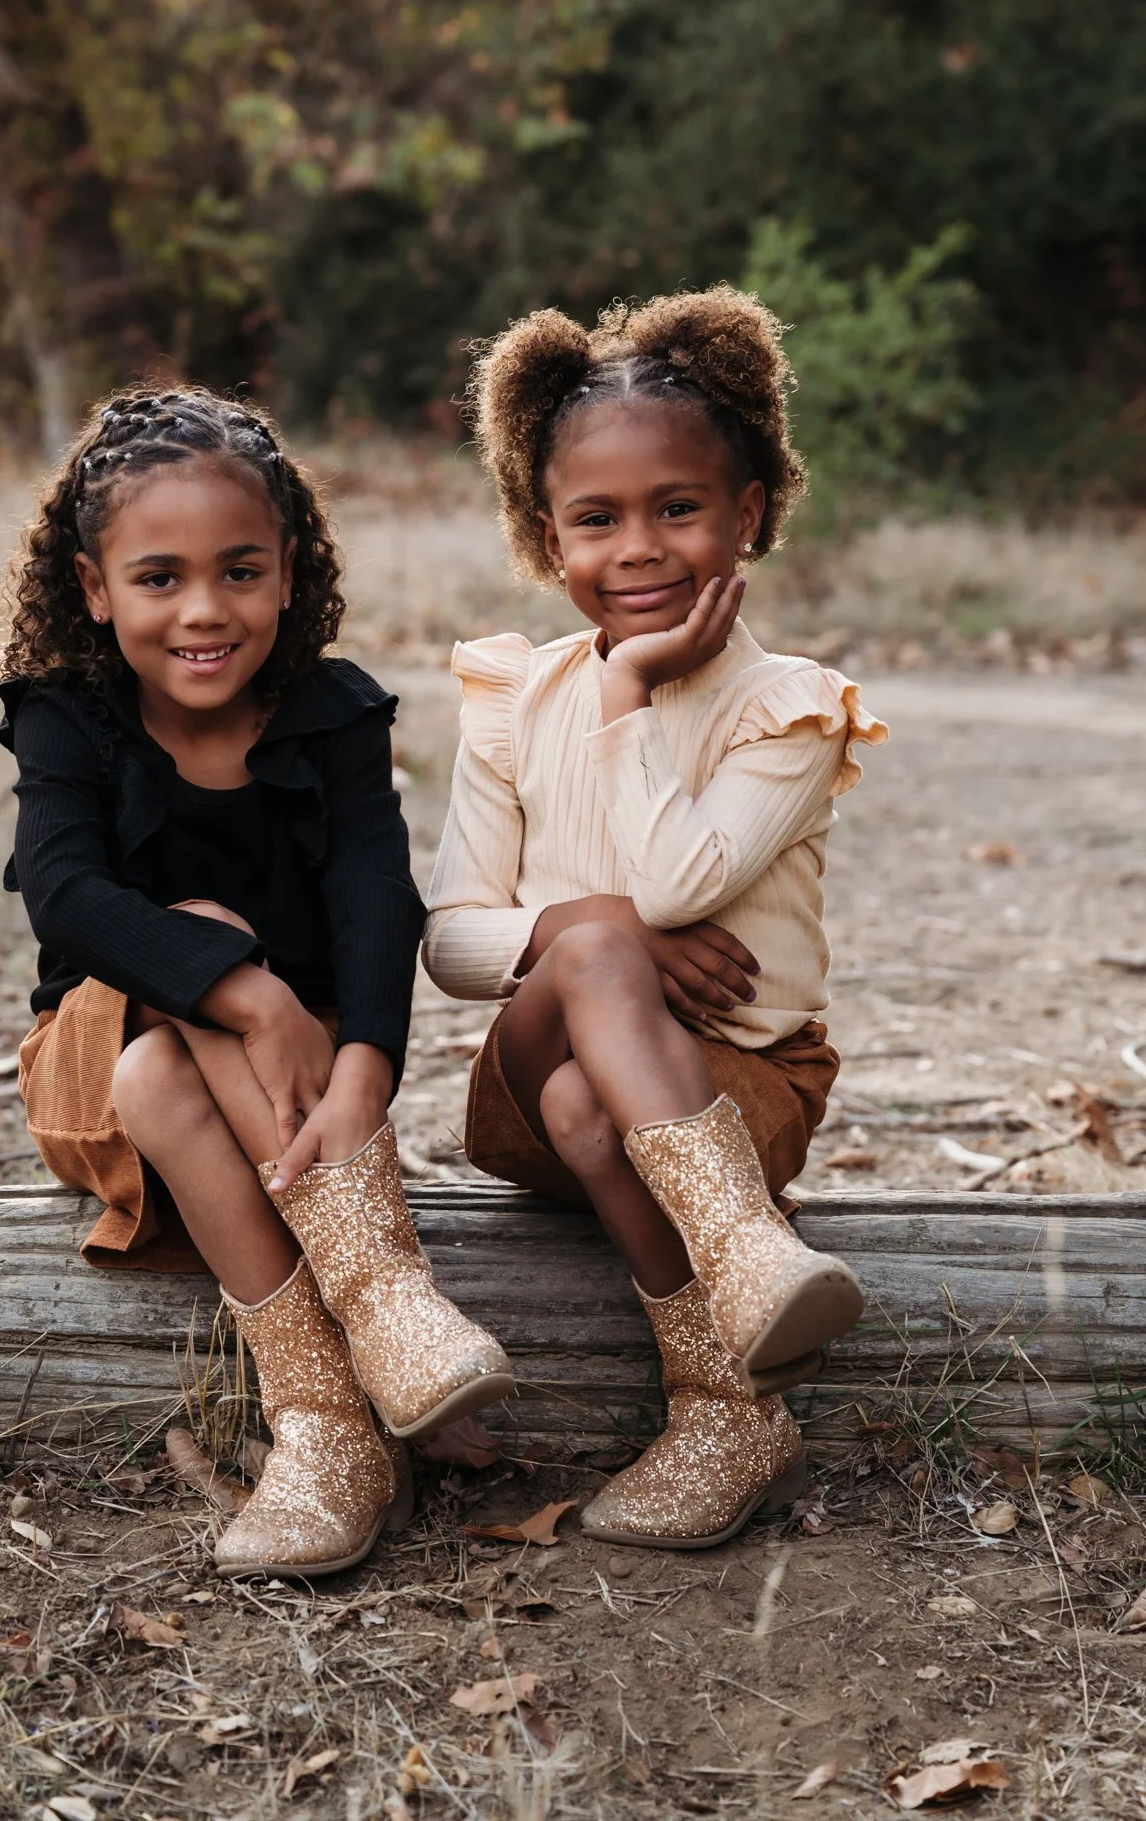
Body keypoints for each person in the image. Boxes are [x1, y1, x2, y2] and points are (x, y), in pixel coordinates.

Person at [0, 383, 512, 1581]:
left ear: (291, 570)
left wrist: (369, 1059)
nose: (203, 611)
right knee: (188, 967)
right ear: (92, 588)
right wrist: (250, 990)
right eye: (158, 578)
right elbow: (63, 893)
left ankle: (338, 1414)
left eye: (240, 571)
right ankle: (364, 1329)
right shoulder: (69, 720)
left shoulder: (328, 713)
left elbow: (377, 892)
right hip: (92, 1082)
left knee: (168, 1069)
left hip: (266, 1106)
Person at [422, 291, 885, 1550]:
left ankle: (723, 1405)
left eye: (678, 509)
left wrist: (632, 697)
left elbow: (683, 884)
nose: (639, 548)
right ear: (544, 533)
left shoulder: (788, 708)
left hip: (747, 1084)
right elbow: (454, 940)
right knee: (579, 990)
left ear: (748, 512)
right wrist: (589, 935)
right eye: (597, 518)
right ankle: (739, 1251)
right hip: (526, 1096)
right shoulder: (517, 697)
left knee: (593, 1099)